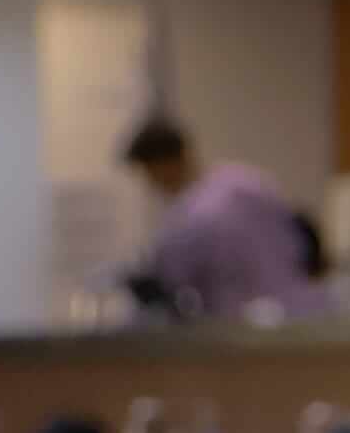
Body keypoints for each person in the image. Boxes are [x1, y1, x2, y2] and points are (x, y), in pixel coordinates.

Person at [125, 119, 319, 319]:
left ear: (162, 164)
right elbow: (299, 239)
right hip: (296, 312)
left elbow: (171, 278)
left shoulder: (190, 216)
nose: (150, 183)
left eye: (149, 172)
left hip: (239, 325)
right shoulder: (246, 180)